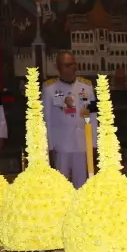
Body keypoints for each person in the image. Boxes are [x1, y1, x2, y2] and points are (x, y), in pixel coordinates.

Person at [42, 50, 95, 189]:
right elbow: (46, 119)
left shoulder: (87, 87)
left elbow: (93, 116)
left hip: (82, 144)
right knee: (61, 186)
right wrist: (49, 146)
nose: (70, 68)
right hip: (61, 145)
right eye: (66, 65)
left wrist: (94, 143)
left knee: (83, 185)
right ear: (58, 67)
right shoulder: (49, 88)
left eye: (72, 64)